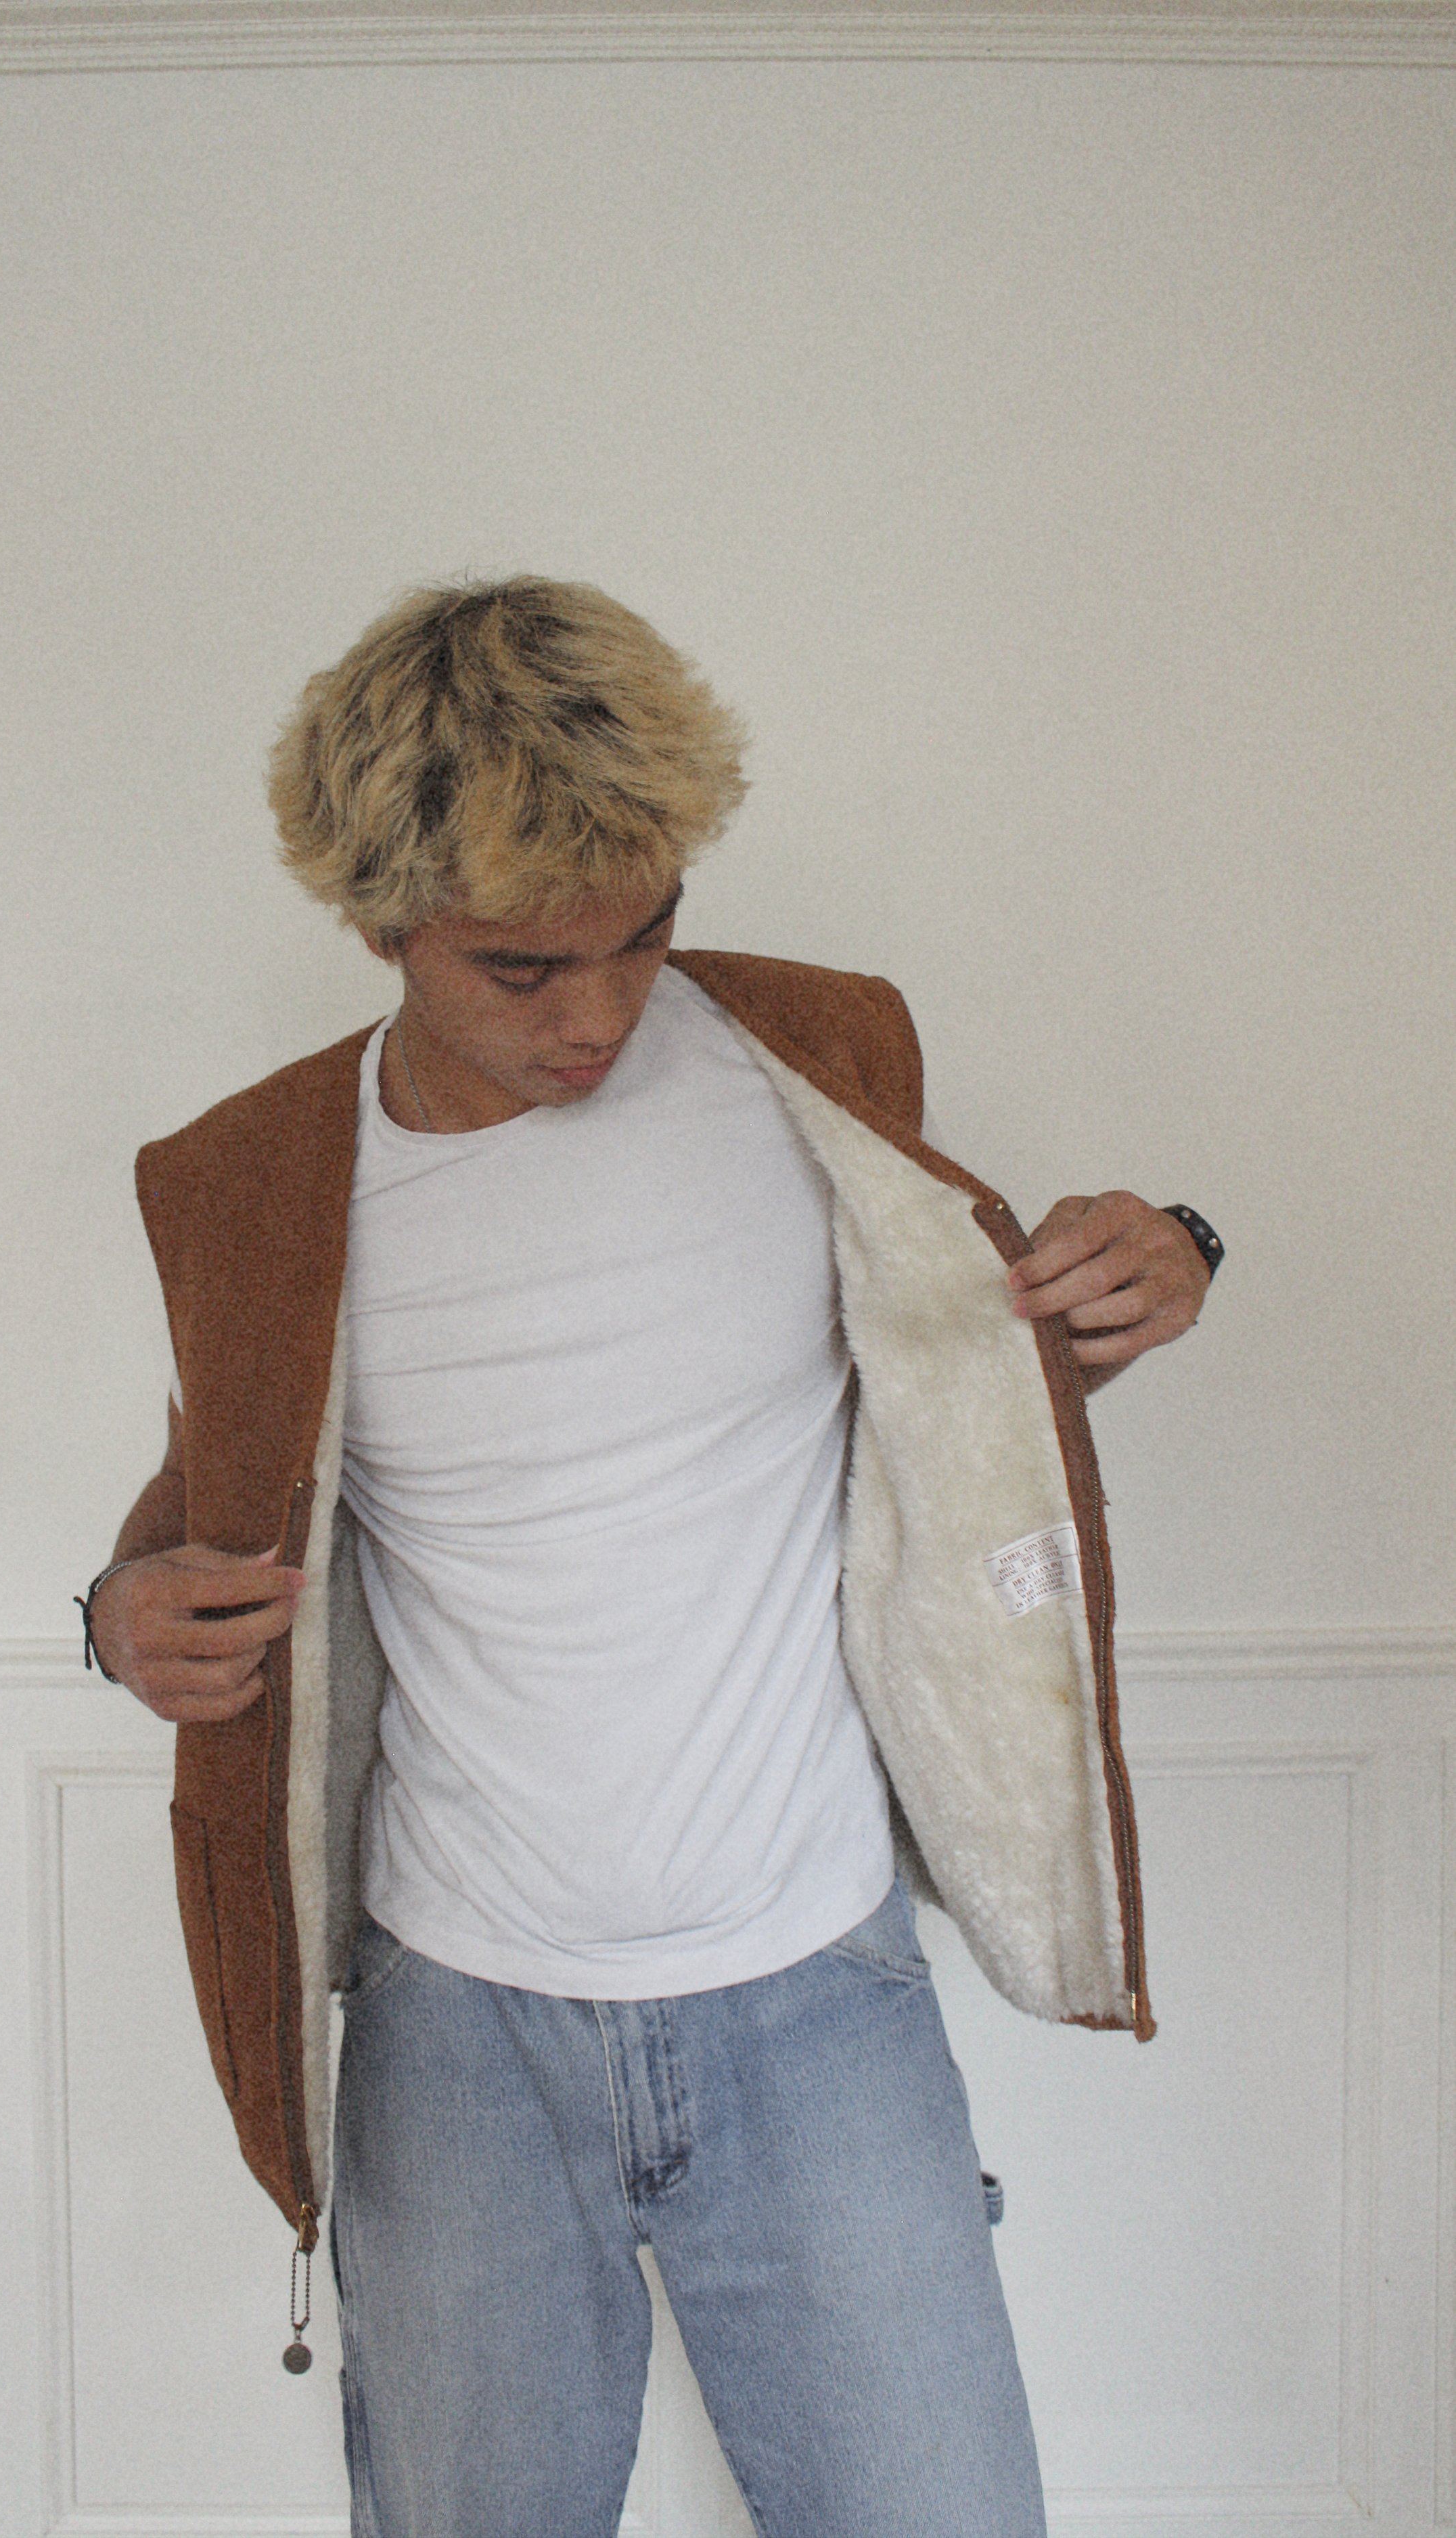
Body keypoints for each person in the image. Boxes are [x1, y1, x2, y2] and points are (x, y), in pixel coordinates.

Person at [81, 577, 1219, 2538]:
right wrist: (114, 1615)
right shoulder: (250, 1185)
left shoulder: (821, 1058)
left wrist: (1168, 1256)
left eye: (644, 936)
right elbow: (214, 1484)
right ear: (377, 920)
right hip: (456, 2026)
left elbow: (969, 1387)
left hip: (817, 1989)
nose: (599, 1014)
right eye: (522, 969)